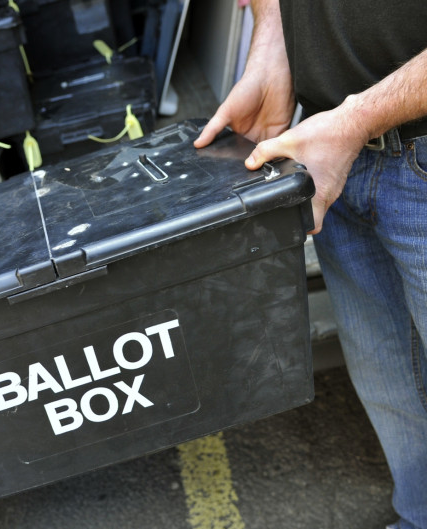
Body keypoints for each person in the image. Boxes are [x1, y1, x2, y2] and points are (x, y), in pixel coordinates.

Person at [194, 1, 427, 528]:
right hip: (330, 150)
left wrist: (360, 117)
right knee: (390, 384)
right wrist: (272, 37)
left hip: (388, 140)